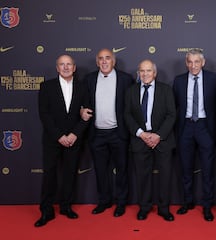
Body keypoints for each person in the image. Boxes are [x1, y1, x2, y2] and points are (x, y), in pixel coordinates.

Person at [35, 55, 88, 227]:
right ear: (57, 68)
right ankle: (46, 210)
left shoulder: (82, 87)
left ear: (74, 68)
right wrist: (59, 136)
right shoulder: (46, 86)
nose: (65, 67)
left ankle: (66, 207)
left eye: (69, 64)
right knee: (49, 175)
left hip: (74, 140)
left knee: (69, 174)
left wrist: (74, 134)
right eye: (62, 64)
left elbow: (87, 114)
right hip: (52, 140)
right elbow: (44, 114)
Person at [80, 48, 134, 217]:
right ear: (97, 62)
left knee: (122, 171)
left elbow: (132, 106)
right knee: (101, 171)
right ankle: (104, 201)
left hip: (119, 133)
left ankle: (121, 203)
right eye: (101, 59)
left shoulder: (126, 79)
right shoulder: (88, 79)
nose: (104, 61)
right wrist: (81, 110)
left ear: (114, 61)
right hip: (97, 134)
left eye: (108, 58)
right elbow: (82, 103)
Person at [124, 59, 176, 221]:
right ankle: (144, 207)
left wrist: (158, 135)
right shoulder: (131, 91)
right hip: (140, 140)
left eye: (148, 71)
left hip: (163, 139)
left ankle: (164, 208)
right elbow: (127, 115)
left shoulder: (166, 90)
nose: (145, 74)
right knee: (142, 176)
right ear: (138, 73)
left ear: (155, 73)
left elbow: (171, 114)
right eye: (142, 71)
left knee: (165, 176)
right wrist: (141, 133)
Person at [173, 48, 216, 221]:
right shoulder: (178, 81)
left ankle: (207, 206)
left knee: (208, 170)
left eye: (197, 62)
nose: (193, 65)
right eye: (190, 62)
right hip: (185, 127)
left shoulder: (213, 79)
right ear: (186, 63)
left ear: (203, 62)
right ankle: (187, 202)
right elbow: (174, 107)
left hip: (205, 127)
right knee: (186, 168)